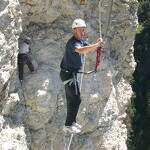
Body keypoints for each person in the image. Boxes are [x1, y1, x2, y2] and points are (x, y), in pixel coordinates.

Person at [60, 18, 103, 134]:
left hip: (70, 74)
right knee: (75, 98)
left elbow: (88, 48)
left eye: (83, 30)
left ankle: (71, 122)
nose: (82, 32)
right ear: (75, 30)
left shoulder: (81, 41)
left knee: (75, 99)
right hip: (68, 74)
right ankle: (68, 124)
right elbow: (82, 50)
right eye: (80, 30)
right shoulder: (72, 43)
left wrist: (97, 45)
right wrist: (96, 44)